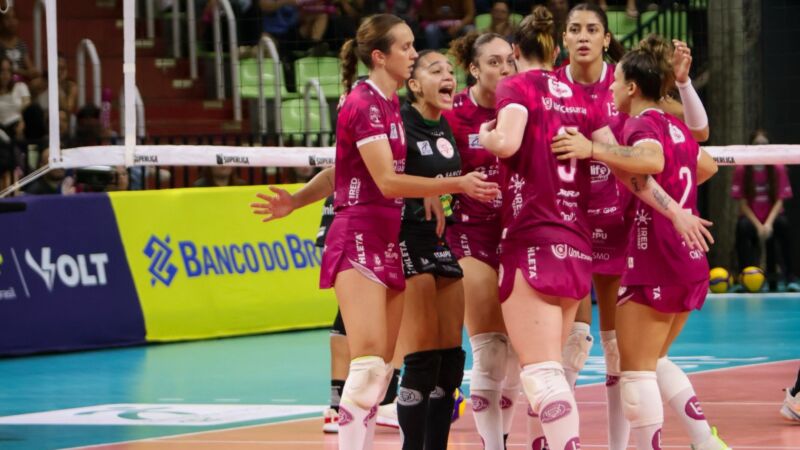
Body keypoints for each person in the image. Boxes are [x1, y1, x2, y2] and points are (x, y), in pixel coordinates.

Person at [250, 14, 498, 449]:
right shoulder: (363, 103)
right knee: (366, 369)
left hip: (388, 236)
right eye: (406, 47)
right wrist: (453, 185)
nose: (414, 53)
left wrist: (424, 192)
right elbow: (384, 181)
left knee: (382, 371)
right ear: (380, 56)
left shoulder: (389, 104)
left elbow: (346, 169)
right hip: (358, 234)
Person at [550, 34, 731, 450]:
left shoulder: (641, 124)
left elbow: (649, 160)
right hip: (688, 260)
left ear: (631, 87)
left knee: (634, 376)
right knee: (652, 362)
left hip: (657, 255)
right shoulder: (674, 125)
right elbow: (705, 167)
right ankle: (704, 442)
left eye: (616, 82)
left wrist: (593, 148)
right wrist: (671, 198)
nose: (611, 89)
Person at [477, 7, 609, 448]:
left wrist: (487, 136)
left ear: (515, 52)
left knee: (540, 374)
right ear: (556, 51)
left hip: (532, 238)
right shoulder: (580, 96)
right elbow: (611, 152)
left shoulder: (515, 86)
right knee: (553, 368)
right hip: (577, 245)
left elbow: (507, 142)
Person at [445, 31, 520, 450]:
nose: (505, 69)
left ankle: (502, 437)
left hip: (520, 235)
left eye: (509, 60)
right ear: (473, 69)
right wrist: (451, 187)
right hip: (470, 233)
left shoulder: (523, 107)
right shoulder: (454, 113)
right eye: (494, 62)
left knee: (517, 356)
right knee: (490, 351)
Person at [732, 130, 797, 292]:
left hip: (772, 218)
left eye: (764, 144)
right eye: (757, 144)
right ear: (750, 147)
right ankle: (744, 278)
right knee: (742, 227)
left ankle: (790, 277)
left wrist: (767, 224)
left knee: (783, 224)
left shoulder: (778, 168)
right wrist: (759, 226)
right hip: (752, 219)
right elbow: (742, 204)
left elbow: (780, 200)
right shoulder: (741, 169)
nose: (761, 147)